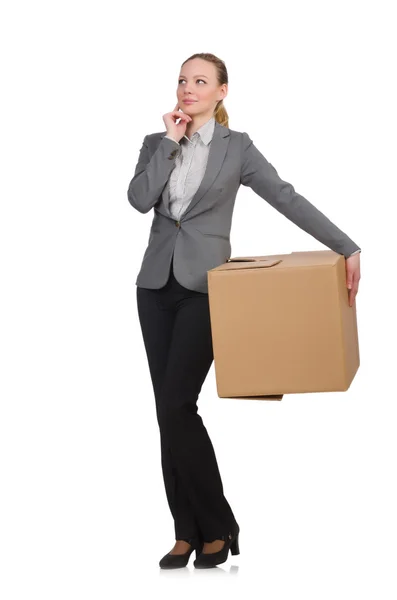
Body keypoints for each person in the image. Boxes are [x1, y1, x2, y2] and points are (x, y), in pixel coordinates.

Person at [128, 53, 361, 569]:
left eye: (200, 81)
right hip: (154, 287)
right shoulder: (155, 144)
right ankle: (185, 531)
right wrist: (168, 141)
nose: (188, 88)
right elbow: (139, 199)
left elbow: (285, 196)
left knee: (175, 407)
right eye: (182, 80)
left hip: (207, 289)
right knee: (168, 413)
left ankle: (218, 523)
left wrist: (346, 246)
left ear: (222, 92)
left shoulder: (238, 149)